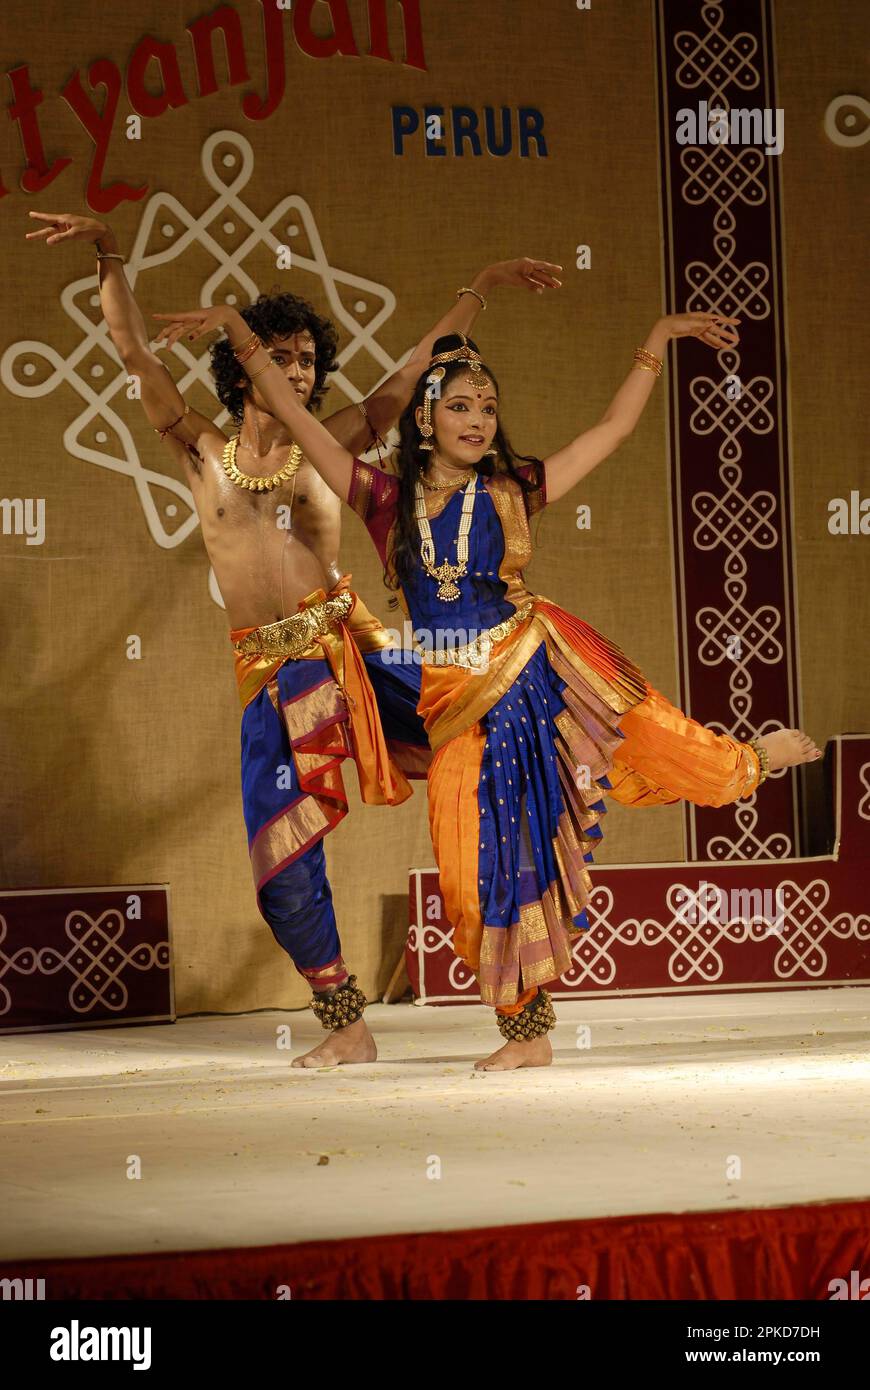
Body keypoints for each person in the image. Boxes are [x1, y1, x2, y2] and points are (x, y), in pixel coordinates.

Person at [144, 307, 823, 1072]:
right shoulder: (380, 497)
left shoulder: (513, 489)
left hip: (531, 668)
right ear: (426, 420)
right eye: (460, 405)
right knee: (468, 877)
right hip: (450, 699)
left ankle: (747, 765)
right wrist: (236, 328)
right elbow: (295, 411)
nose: (477, 419)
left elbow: (610, 433)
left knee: (644, 742)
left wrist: (655, 344)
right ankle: (518, 1028)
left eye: (489, 407)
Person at [26, 209, 564, 1066]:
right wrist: (105, 249)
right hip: (270, 678)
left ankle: (525, 1020)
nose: (299, 369)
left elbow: (409, 369)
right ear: (242, 368)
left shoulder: (333, 443)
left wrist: (483, 287)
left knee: (488, 768)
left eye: (308, 357)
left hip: (353, 653)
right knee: (282, 871)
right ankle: (346, 1025)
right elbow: (132, 353)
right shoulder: (198, 450)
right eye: (281, 355)